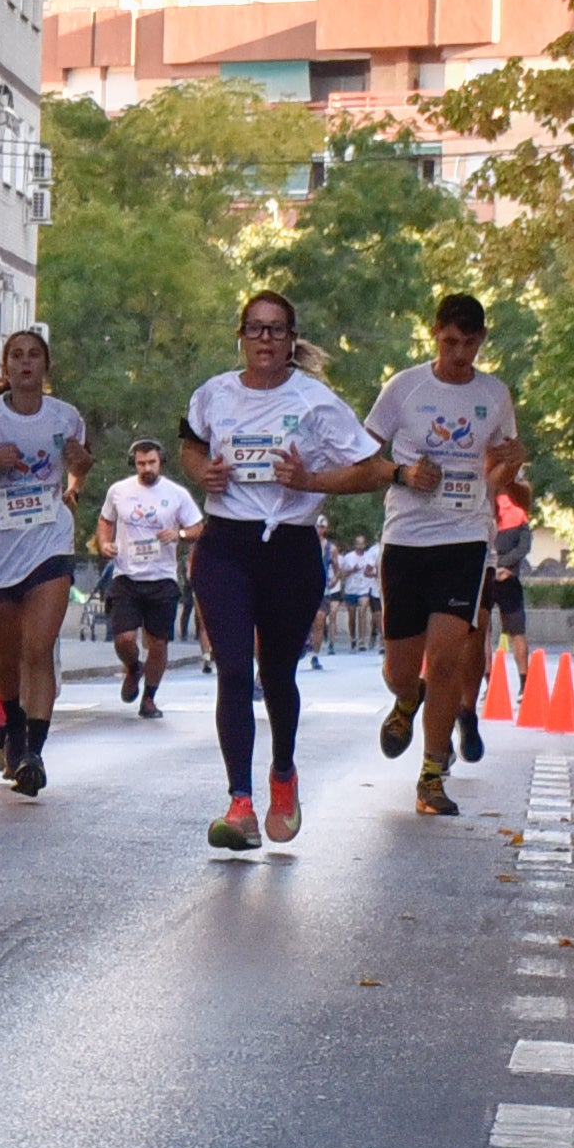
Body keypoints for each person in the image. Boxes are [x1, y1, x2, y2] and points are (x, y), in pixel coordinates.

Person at [181, 291, 393, 850]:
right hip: (226, 544)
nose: (266, 340)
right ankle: (240, 804)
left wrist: (310, 482)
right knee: (232, 669)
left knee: (276, 675)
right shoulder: (214, 394)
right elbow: (190, 444)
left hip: (290, 549)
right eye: (256, 329)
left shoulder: (316, 401)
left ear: (292, 340)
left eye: (277, 330)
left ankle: (283, 774)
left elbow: (371, 470)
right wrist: (204, 472)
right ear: (241, 336)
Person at [367, 294, 528, 814]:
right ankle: (404, 699)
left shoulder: (494, 395)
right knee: (401, 668)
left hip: (465, 540)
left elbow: (506, 485)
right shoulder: (405, 388)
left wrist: (510, 467)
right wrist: (402, 473)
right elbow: (363, 458)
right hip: (407, 540)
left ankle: (432, 775)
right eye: (449, 341)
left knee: (446, 664)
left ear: (482, 339)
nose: (459, 353)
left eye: (469, 342)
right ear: (435, 334)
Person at [0, 330, 92, 795]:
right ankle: (7, 725)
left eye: (34, 356)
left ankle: (33, 752)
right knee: (4, 656)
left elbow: (78, 467)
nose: (26, 364)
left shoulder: (66, 416)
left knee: (37, 649)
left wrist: (78, 473)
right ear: (5, 368)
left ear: (46, 366)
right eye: (17, 357)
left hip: (48, 545)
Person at [95, 438, 204, 719]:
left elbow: (198, 527)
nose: (147, 468)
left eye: (151, 462)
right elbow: (105, 520)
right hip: (126, 575)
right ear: (134, 464)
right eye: (141, 463)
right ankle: (133, 667)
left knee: (157, 643)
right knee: (124, 638)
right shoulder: (119, 491)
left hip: (162, 578)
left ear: (161, 462)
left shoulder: (177, 494)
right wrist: (104, 543)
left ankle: (150, 698)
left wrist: (177, 535)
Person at [476, 489, 536, 711]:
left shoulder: (484, 506)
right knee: (517, 632)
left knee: (484, 633)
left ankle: (489, 685)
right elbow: (524, 547)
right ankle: (524, 685)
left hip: (486, 576)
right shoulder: (519, 511)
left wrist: (493, 564)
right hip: (509, 578)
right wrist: (507, 566)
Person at [340, 534, 380, 650]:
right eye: (358, 544)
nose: (360, 546)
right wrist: (352, 570)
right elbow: (342, 574)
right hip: (351, 589)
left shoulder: (369, 556)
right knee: (352, 615)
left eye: (362, 544)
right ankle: (353, 637)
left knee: (362, 610)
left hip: (364, 588)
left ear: (365, 544)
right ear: (355, 545)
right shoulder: (348, 557)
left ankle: (362, 640)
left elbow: (371, 569)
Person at [310, 518, 339, 668]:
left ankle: (315, 655)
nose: (319, 530)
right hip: (303, 587)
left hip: (323, 588)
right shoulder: (304, 544)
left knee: (320, 619)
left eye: (322, 527)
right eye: (317, 526)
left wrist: (335, 579)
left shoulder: (330, 548)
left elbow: (337, 567)